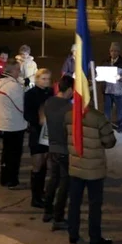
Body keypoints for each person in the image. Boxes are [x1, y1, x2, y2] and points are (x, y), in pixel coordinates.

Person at [66, 107, 116, 244]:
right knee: (94, 205)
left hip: (75, 165)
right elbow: (110, 141)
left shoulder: (69, 115)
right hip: (94, 169)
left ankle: (72, 236)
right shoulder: (98, 117)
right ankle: (94, 239)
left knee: (74, 203)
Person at [43, 75, 74, 231]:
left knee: (53, 180)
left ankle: (47, 211)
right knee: (64, 184)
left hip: (52, 147)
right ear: (69, 90)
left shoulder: (49, 102)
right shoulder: (69, 107)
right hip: (64, 148)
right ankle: (58, 217)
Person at [0, 60, 26, 189]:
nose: (19, 72)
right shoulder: (13, 86)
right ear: (12, 71)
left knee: (6, 153)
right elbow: (22, 107)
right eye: (18, 69)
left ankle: (4, 178)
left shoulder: (0, 83)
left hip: (3, 122)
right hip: (14, 124)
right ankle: (12, 180)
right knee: (14, 155)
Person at [24, 69, 54, 208]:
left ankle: (40, 192)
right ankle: (35, 198)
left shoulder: (51, 93)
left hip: (49, 132)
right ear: (37, 79)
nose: (46, 81)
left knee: (44, 163)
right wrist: (38, 119)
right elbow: (27, 114)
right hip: (37, 132)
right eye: (43, 78)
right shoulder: (30, 94)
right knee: (37, 163)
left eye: (48, 79)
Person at [102, 42, 122, 133]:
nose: (113, 53)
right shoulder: (105, 62)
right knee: (107, 111)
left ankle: (121, 127)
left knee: (120, 110)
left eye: (115, 51)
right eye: (112, 51)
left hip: (119, 91)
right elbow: (100, 73)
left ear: (118, 52)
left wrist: (120, 77)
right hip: (107, 90)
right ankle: (107, 126)